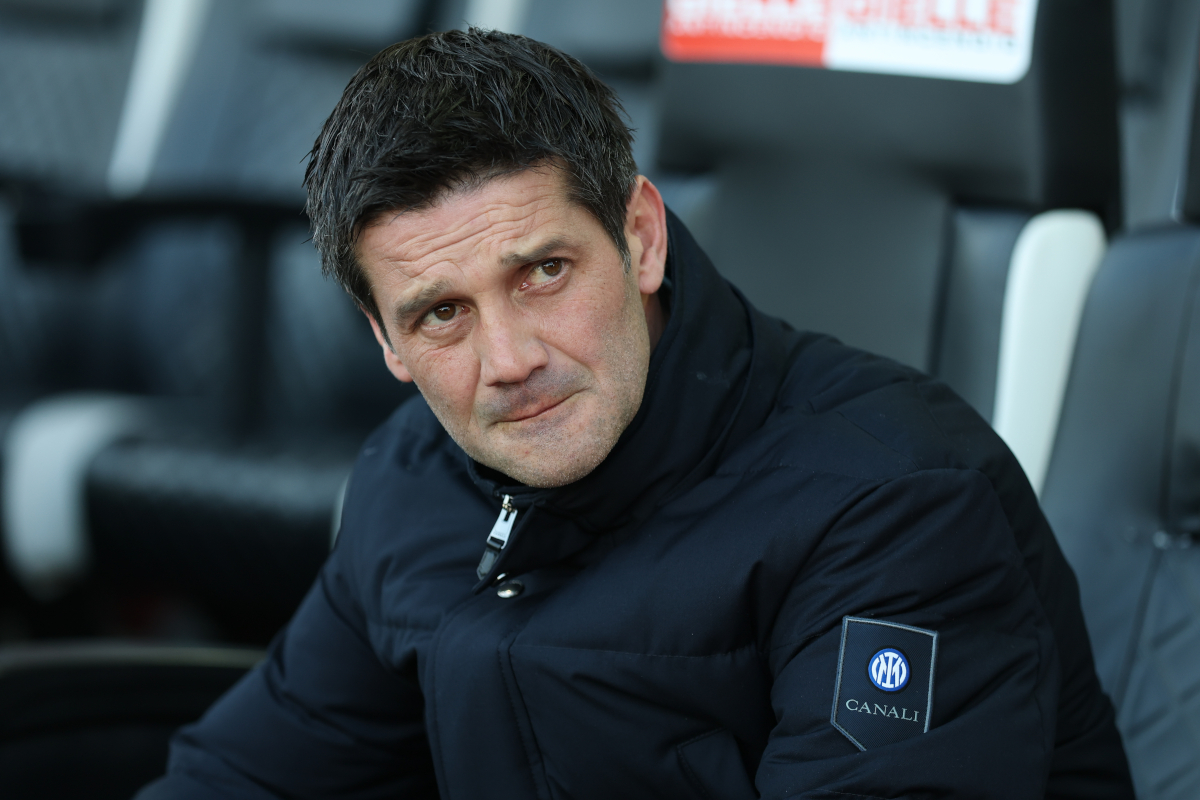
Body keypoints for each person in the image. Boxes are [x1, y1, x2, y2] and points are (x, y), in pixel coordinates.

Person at [138, 29, 1134, 800]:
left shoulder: (898, 503)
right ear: (385, 343)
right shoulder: (411, 478)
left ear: (642, 238)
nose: (510, 360)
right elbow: (244, 775)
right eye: (442, 313)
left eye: (542, 272)